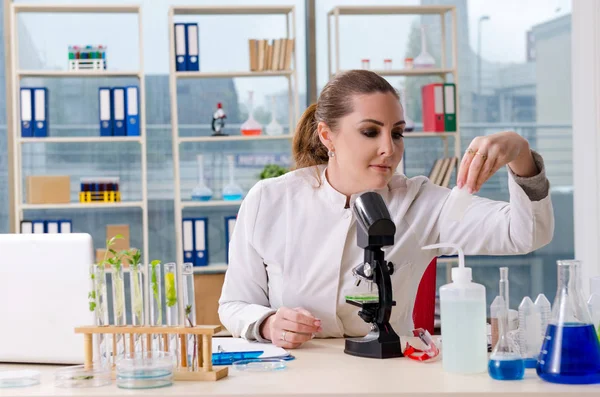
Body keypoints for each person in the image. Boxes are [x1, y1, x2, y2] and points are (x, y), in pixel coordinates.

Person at [218, 70, 554, 349]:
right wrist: (267, 323)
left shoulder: (421, 202)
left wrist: (520, 154)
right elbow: (234, 305)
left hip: (388, 373)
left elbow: (525, 234)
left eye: (397, 133)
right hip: (298, 371)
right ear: (326, 136)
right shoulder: (271, 199)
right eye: (370, 132)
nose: (389, 149)